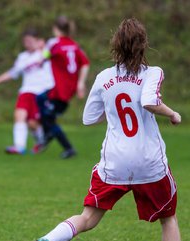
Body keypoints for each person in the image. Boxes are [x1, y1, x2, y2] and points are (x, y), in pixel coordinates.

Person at [36, 18, 182, 241]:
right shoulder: (152, 72)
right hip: (148, 161)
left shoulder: (104, 77)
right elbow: (149, 101)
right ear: (143, 45)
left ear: (116, 45)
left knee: (87, 219)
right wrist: (172, 114)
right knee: (168, 219)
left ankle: (48, 239)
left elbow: (88, 118)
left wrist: (112, 109)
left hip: (115, 161)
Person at [0, 29, 54, 154]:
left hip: (41, 93)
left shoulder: (45, 53)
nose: (27, 44)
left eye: (30, 41)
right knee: (19, 116)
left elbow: (49, 55)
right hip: (26, 91)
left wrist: (43, 49)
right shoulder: (22, 57)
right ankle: (19, 146)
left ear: (38, 41)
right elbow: (12, 73)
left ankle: (41, 142)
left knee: (32, 124)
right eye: (25, 41)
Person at [34, 16, 90, 159]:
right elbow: (85, 63)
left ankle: (64, 145)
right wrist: (81, 83)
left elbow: (43, 58)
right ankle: (48, 135)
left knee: (49, 119)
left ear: (56, 29)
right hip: (67, 89)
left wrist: (42, 50)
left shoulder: (54, 43)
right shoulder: (74, 45)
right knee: (40, 99)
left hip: (60, 91)